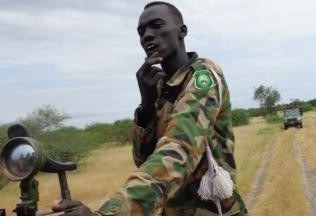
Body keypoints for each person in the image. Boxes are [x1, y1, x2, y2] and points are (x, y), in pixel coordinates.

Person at [53, 2, 247, 215]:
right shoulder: (162, 89)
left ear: (182, 31)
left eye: (156, 25)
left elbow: (179, 150)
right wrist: (146, 105)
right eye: (141, 31)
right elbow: (143, 160)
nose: (147, 35)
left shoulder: (203, 77)